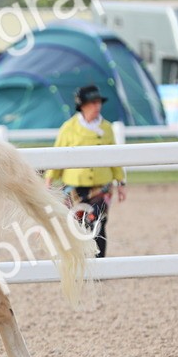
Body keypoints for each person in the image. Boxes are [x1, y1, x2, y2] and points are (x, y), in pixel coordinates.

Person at [44, 85, 127, 259]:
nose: (97, 107)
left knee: (98, 222)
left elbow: (114, 155)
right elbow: (58, 155)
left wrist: (121, 182)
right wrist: (49, 182)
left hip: (102, 186)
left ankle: (100, 262)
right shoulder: (68, 128)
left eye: (98, 103)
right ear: (83, 106)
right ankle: (79, 261)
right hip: (74, 187)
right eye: (93, 103)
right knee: (75, 225)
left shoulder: (107, 128)